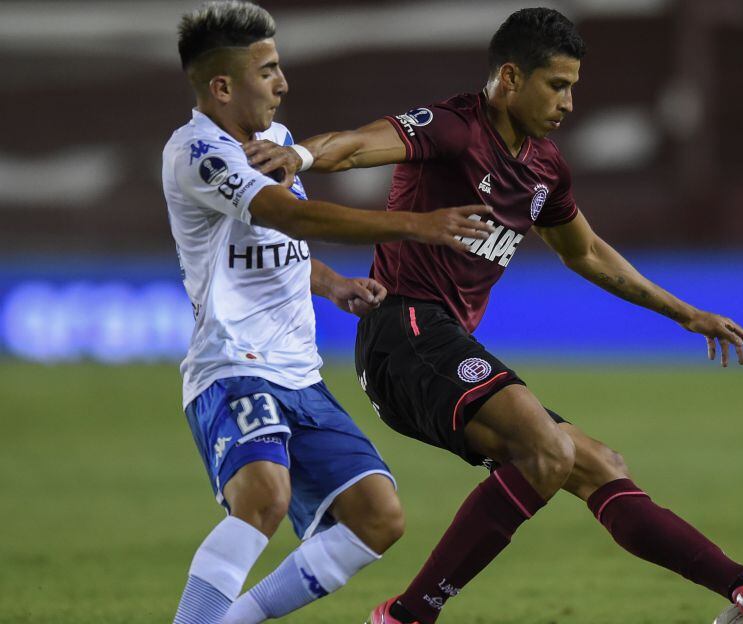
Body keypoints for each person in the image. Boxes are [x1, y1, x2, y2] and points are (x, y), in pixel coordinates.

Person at [245, 8, 743, 624]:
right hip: (404, 334)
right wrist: (302, 157)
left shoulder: (544, 167)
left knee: (598, 465)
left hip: (441, 344)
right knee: (545, 452)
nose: (567, 101)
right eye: (557, 85)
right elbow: (354, 146)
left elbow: (585, 251)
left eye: (573, 87)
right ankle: (406, 616)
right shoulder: (454, 128)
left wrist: (685, 314)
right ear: (510, 77)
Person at [161, 2, 494, 623]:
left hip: (299, 373)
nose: (283, 83)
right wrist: (417, 226)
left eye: (280, 67)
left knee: (378, 517)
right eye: (268, 71)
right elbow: (292, 216)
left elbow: (279, 245)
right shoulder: (197, 153)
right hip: (233, 363)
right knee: (263, 496)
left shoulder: (278, 143)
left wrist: (332, 283)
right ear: (222, 86)